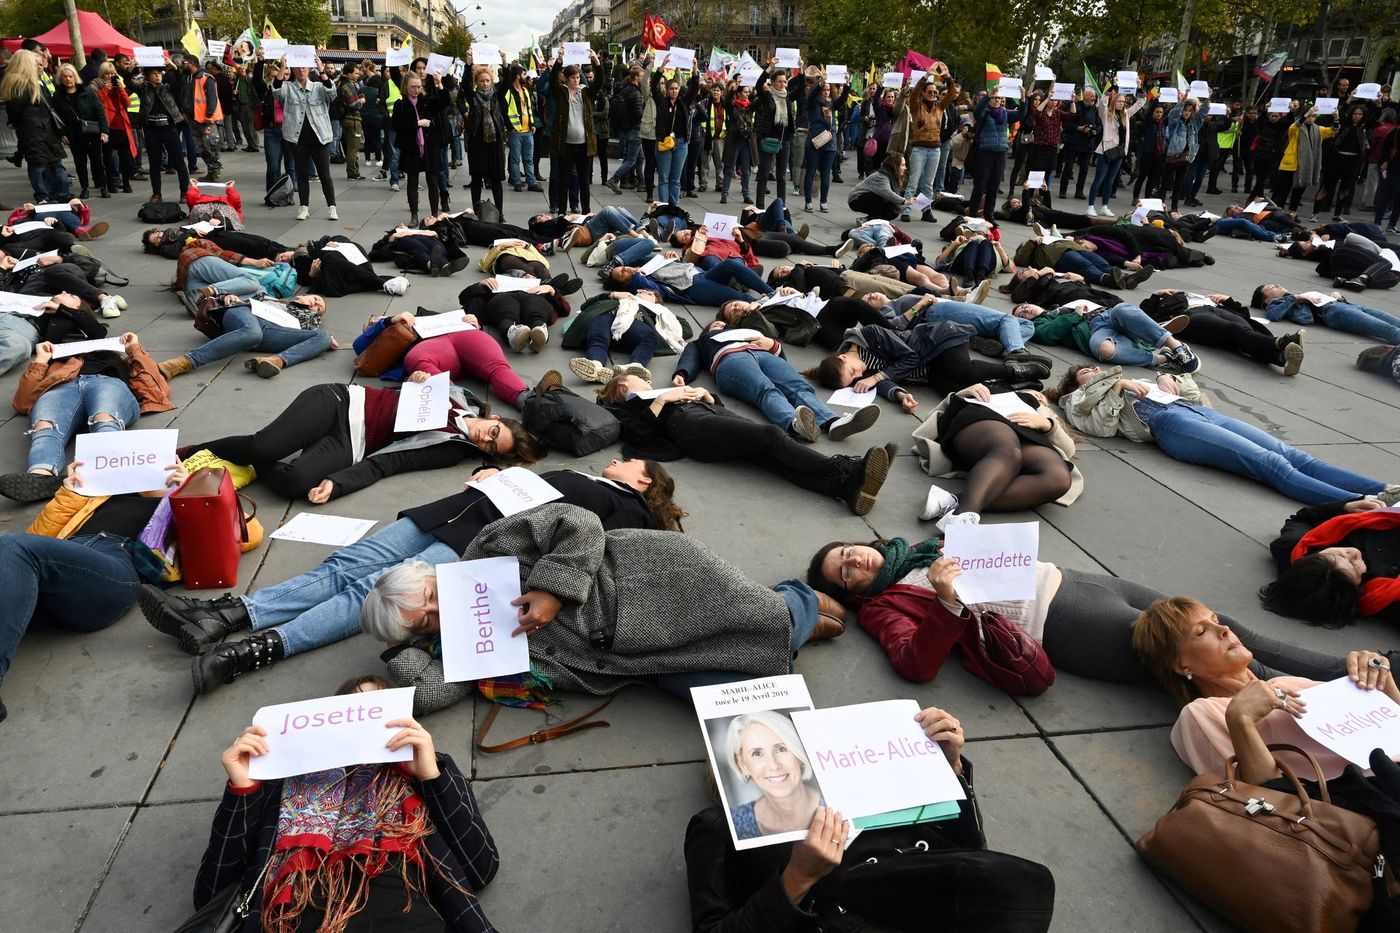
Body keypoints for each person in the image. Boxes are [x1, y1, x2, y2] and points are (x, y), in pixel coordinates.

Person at [142, 462, 675, 688]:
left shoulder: (630, 510)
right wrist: (497, 475)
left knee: (369, 594)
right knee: (346, 564)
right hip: (455, 510)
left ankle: (253, 650)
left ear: (645, 479)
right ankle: (227, 615)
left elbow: (588, 543)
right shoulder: (588, 477)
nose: (622, 460)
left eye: (633, 462)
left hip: (483, 544)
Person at [366, 502, 833, 712]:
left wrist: (553, 589)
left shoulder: (487, 548)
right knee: (743, 691)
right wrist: (398, 654)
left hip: (650, 582)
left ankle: (798, 600)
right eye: (422, 623)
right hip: (632, 657)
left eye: (428, 597)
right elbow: (428, 695)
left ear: (429, 575)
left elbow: (579, 522)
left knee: (766, 621)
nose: (438, 612)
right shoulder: (458, 650)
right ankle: (787, 622)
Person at [686, 702, 1055, 932]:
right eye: (756, 753)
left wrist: (949, 769)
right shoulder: (720, 827)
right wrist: (798, 878)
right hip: (847, 915)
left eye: (782, 746)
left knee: (1017, 884)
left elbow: (970, 852)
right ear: (739, 766)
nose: (775, 763)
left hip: (946, 902)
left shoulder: (864, 782)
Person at [198, 678, 500, 932]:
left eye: (377, 710)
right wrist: (243, 789)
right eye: (355, 711)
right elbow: (212, 893)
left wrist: (432, 775)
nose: (365, 722)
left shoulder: (416, 775)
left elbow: (480, 867)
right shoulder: (283, 782)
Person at [0, 459, 191, 721]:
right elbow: (36, 538)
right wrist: (69, 493)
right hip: (61, 569)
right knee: (12, 552)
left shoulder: (182, 498)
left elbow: (243, 537)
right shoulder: (99, 496)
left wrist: (191, 493)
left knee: (12, 545)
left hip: (117, 567)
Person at [1048, 364, 1399, 504]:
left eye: (1094, 368)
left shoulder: (1133, 376)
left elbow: (1186, 386)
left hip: (1197, 411)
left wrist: (1163, 380)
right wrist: (1113, 385)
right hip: (1169, 426)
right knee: (1269, 462)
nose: (1092, 371)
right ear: (1073, 382)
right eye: (1084, 372)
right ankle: (1354, 504)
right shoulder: (1077, 397)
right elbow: (1099, 427)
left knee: (1294, 455)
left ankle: (1380, 489)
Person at [1133, 602, 1397, 786]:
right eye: (1202, 631)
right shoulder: (1205, 712)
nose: (1224, 629)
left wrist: (1384, 684)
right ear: (1182, 665)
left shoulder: (1291, 682)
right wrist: (1241, 720)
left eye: (1216, 621)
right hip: (1370, 798)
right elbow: (1264, 797)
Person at [600, 372, 893, 515]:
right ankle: (845, 468)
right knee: (770, 436)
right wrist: (664, 399)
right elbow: (639, 436)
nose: (647, 382)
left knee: (769, 456)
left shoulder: (661, 393)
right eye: (638, 379)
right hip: (691, 428)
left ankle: (846, 489)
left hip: (709, 414)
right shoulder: (629, 406)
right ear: (623, 385)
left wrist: (706, 395)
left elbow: (712, 405)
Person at [0, 331, 174, 503]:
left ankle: (111, 471)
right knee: (45, 424)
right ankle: (40, 476)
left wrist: (134, 349)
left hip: (107, 383)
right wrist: (41, 360)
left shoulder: (117, 357)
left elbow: (158, 390)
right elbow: (22, 402)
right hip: (62, 387)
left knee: (104, 417)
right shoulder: (56, 363)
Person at [673, 321, 881, 442]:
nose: (720, 325)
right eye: (714, 325)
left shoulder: (745, 330)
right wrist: (682, 372)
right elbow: (690, 356)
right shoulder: (703, 342)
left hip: (764, 355)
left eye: (722, 323)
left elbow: (780, 355)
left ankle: (833, 422)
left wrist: (773, 344)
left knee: (799, 387)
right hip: (731, 359)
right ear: (707, 331)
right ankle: (794, 424)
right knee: (765, 389)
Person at [805, 322, 1052, 412]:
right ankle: (1018, 388)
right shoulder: (860, 367)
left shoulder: (870, 335)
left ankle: (1017, 370)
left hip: (940, 338)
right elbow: (884, 383)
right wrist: (900, 395)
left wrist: (875, 377)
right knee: (958, 391)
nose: (860, 375)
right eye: (853, 379)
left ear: (842, 357)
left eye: (853, 372)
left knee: (963, 371)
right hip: (930, 367)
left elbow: (909, 357)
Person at [1260, 496, 1400, 627]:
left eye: (1338, 554)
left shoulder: (1296, 546)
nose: (1352, 553)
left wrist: (1344, 507)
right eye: (1355, 567)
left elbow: (1302, 518)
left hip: (1380, 505)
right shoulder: (1384, 597)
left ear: (1316, 555)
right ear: (1357, 589)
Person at [156, 292, 335, 380]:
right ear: (305, 295)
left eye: (319, 309)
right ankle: (182, 363)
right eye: (316, 299)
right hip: (244, 313)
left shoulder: (310, 321)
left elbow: (307, 335)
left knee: (325, 336)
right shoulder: (274, 298)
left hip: (270, 332)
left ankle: (276, 361)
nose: (315, 305)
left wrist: (321, 340)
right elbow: (240, 295)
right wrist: (230, 296)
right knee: (252, 332)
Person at [1137, 289, 1306, 374]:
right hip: (1191, 316)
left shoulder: (1199, 295)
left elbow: (1244, 315)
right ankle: (1280, 343)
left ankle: (1280, 357)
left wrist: (1228, 300)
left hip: (1217, 309)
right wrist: (1156, 295)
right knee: (1233, 330)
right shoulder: (1165, 303)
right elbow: (1144, 315)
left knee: (1243, 333)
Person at [1014, 299, 1201, 372]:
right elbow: (1050, 335)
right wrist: (1075, 314)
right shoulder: (1037, 325)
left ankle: (1177, 347)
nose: (1026, 310)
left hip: (1107, 315)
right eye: (1021, 314)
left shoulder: (1057, 306)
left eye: (1024, 306)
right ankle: (1163, 358)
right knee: (1104, 349)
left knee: (1122, 309)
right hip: (1097, 330)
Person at [272, 52, 339, 221]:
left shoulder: (318, 87)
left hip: (320, 137)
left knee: (324, 174)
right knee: (302, 174)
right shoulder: (288, 88)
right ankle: (304, 207)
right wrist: (282, 66)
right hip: (297, 138)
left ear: (310, 68)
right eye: (298, 67)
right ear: (292, 69)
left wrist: (322, 71)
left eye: (304, 67)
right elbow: (276, 90)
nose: (301, 70)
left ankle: (332, 207)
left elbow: (332, 92)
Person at [1, 49, 70, 202]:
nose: (37, 66)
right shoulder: (20, 83)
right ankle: (49, 195)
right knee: (45, 165)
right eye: (34, 63)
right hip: (35, 130)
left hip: (39, 130)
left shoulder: (24, 82)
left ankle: (51, 195)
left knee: (48, 165)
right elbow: (16, 111)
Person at [547, 52, 602, 214]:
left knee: (583, 180)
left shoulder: (585, 92)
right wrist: (558, 61)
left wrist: (596, 62)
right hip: (565, 144)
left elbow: (599, 83)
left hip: (584, 144)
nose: (576, 80)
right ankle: (563, 211)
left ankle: (585, 211)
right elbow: (551, 81)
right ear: (566, 78)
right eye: (572, 78)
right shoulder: (561, 92)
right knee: (564, 179)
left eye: (578, 77)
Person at [1252, 283, 1400, 343]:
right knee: (1386, 329)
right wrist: (1295, 297)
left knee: (1394, 321)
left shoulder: (1293, 298)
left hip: (1342, 305)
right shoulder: (1276, 304)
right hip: (1333, 313)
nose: (1277, 285)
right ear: (1266, 300)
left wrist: (1335, 295)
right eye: (1271, 287)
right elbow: (1273, 315)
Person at [457, 277, 570, 353]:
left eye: (528, 275)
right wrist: (481, 284)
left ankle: (540, 330)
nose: (525, 276)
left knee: (536, 311)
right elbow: (464, 297)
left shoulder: (541, 287)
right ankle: (512, 333)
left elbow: (564, 307)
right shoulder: (496, 284)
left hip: (533, 297)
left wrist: (551, 289)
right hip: (504, 296)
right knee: (506, 313)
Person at [135, 64, 193, 203]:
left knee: (179, 162)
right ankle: (156, 194)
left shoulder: (167, 88)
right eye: (154, 74)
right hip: (151, 130)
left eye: (159, 73)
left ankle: (184, 192)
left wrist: (174, 67)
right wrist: (132, 69)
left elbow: (181, 82)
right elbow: (129, 85)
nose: (158, 76)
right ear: (148, 77)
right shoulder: (144, 89)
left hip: (169, 129)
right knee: (154, 163)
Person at [52, 64, 108, 199]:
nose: (68, 79)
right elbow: (56, 118)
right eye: (64, 76)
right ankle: (85, 187)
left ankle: (103, 186)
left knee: (97, 161)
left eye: (70, 76)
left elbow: (99, 111)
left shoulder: (87, 92)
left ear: (75, 77)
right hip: (73, 134)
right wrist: (61, 134)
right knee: (80, 162)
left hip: (91, 131)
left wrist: (104, 131)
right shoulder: (58, 96)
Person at [1087, 89, 1144, 217]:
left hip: (1119, 153)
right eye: (1119, 101)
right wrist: (1110, 89)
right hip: (1106, 151)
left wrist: (1139, 89)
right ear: (1114, 101)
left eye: (1123, 102)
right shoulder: (1106, 113)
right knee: (1099, 179)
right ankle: (1091, 206)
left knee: (1110, 180)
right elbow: (1102, 103)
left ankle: (1104, 207)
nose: (1121, 104)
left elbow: (1140, 104)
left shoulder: (1126, 114)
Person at [464, 62, 506, 216]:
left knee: (496, 180)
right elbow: (465, 85)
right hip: (478, 143)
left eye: (488, 80)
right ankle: (476, 212)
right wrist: (468, 65)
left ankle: (500, 213)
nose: (485, 83)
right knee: (476, 180)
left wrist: (505, 62)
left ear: (492, 81)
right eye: (481, 80)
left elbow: (506, 83)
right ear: (477, 82)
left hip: (495, 143)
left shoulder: (497, 96)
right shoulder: (473, 97)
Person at [1315, 104, 1369, 221]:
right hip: (1337, 158)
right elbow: (1343, 111)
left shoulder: (1363, 128)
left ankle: (1338, 214)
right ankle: (1315, 213)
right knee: (1326, 186)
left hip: (1353, 161)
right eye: (1355, 114)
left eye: (1360, 114)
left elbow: (1376, 117)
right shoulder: (1345, 124)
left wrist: (1379, 104)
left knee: (1345, 188)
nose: (1357, 116)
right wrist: (1350, 100)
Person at [652, 70, 698, 206]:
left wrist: (695, 71)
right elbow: (653, 85)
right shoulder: (661, 101)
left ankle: (675, 206)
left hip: (680, 143)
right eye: (671, 89)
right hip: (664, 143)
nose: (674, 91)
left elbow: (694, 90)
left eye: (676, 89)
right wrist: (661, 68)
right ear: (666, 90)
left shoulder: (683, 102)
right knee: (664, 178)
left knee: (676, 179)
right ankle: (664, 207)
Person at [93, 63, 140, 194]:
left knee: (125, 157)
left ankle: (126, 183)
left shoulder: (119, 88)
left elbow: (128, 103)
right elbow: (98, 103)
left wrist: (121, 89)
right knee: (108, 158)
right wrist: (106, 90)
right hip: (108, 127)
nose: (109, 77)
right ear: (102, 76)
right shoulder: (100, 90)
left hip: (122, 126)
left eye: (112, 74)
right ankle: (111, 183)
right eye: (107, 74)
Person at [754, 61, 794, 208]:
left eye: (785, 81)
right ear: (773, 82)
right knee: (764, 174)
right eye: (779, 81)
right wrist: (769, 68)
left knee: (781, 177)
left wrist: (801, 68)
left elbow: (802, 86)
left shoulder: (788, 97)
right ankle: (760, 207)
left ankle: (781, 206)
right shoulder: (767, 96)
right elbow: (759, 85)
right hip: (769, 139)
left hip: (785, 140)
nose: (783, 84)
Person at [802, 75, 843, 213]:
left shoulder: (832, 105)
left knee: (826, 174)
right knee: (811, 172)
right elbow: (812, 94)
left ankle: (823, 201)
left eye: (827, 89)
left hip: (830, 144)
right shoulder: (813, 103)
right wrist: (820, 84)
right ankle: (808, 201)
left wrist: (847, 84)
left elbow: (842, 99)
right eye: (824, 89)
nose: (826, 92)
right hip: (815, 142)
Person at [848, 152, 917, 220]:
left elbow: (898, 192)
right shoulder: (881, 176)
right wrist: (905, 201)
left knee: (893, 211)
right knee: (877, 198)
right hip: (855, 199)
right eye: (902, 165)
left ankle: (869, 220)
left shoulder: (893, 176)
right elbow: (887, 193)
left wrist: (916, 197)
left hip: (869, 198)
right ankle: (874, 222)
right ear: (895, 166)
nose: (905, 168)